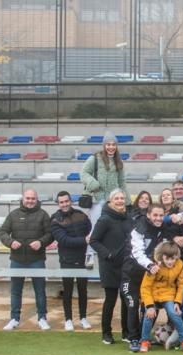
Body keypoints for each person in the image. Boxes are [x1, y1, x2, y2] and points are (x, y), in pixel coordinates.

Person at [0, 189, 53, 331]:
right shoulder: (14, 214)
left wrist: (41, 242)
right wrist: (10, 242)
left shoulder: (43, 215)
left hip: (37, 260)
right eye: (28, 198)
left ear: (37, 199)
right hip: (17, 260)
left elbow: (50, 234)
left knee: (40, 291)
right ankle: (14, 319)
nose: (30, 201)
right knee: (16, 291)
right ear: (23, 199)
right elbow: (2, 232)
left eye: (33, 198)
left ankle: (42, 318)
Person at [121, 203, 167, 352]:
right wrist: (150, 265)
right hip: (131, 274)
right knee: (132, 305)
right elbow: (137, 253)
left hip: (149, 277)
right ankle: (133, 339)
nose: (158, 218)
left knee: (152, 306)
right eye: (155, 215)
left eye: (161, 215)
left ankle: (144, 336)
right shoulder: (139, 228)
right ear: (148, 215)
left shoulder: (163, 229)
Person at [89, 189, 133, 344]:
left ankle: (126, 333)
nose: (120, 201)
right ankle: (106, 334)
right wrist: (107, 254)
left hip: (126, 266)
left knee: (126, 299)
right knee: (110, 300)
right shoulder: (104, 219)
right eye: (117, 199)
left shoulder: (128, 218)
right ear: (110, 201)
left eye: (122, 198)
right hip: (109, 266)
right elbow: (94, 240)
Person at [80, 131, 129, 268]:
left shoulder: (119, 161)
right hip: (97, 198)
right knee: (95, 227)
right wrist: (93, 184)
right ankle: (89, 255)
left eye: (113, 144)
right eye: (108, 144)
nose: (111, 147)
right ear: (104, 145)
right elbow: (83, 173)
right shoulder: (95, 158)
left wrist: (127, 201)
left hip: (111, 200)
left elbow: (122, 181)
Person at [138, 242, 183, 353]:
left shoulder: (180, 264)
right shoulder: (154, 266)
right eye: (167, 259)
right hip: (153, 294)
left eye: (172, 258)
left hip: (168, 294)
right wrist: (149, 305)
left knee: (174, 313)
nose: (170, 261)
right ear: (162, 256)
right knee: (149, 315)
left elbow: (181, 284)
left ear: (176, 256)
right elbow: (145, 287)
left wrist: (178, 302)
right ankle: (144, 341)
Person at [50, 191, 92, 331]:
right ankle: (68, 319)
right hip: (66, 260)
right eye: (61, 202)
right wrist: (83, 240)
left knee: (83, 290)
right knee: (67, 291)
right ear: (58, 203)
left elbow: (89, 229)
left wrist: (85, 240)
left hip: (82, 259)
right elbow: (63, 240)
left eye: (66, 201)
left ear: (70, 201)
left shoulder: (81, 214)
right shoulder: (55, 219)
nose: (64, 204)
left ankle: (83, 318)